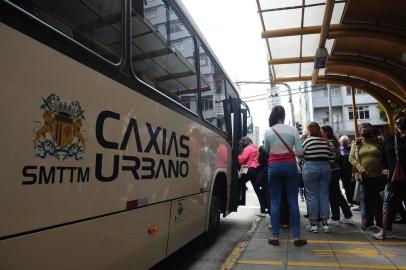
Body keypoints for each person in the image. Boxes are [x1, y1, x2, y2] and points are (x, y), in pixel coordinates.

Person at [264, 105, 307, 246]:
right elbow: (300, 152)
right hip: (290, 166)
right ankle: (296, 238)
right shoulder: (293, 130)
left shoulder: (268, 131)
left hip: (274, 167)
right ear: (284, 115)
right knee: (292, 201)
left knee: (275, 201)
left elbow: (266, 150)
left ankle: (275, 237)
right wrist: (291, 152)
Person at [374, 111, 406, 239]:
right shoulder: (390, 139)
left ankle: (385, 231)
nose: (400, 124)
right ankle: (386, 231)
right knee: (388, 204)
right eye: (398, 121)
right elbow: (382, 157)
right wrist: (384, 168)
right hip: (392, 178)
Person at [349, 123, 384, 230]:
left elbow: (384, 155)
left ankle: (380, 222)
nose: (365, 131)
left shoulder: (378, 141)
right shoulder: (357, 143)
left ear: (371, 130)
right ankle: (368, 222)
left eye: (367, 129)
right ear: (360, 132)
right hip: (364, 176)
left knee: (379, 200)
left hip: (379, 175)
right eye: (362, 130)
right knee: (366, 201)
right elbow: (351, 158)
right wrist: (360, 168)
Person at [302, 122, 334, 233]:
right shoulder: (326, 141)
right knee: (324, 195)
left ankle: (314, 224)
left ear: (309, 130)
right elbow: (332, 157)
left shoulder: (307, 140)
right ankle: (325, 224)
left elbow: (301, 153)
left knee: (311, 196)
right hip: (325, 167)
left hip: (310, 167)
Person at [321, 126, 354, 225]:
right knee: (337, 194)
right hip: (335, 171)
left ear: (326, 133)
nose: (320, 134)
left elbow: (333, 157)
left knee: (333, 195)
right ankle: (348, 216)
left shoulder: (330, 143)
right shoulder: (333, 142)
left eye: (322, 132)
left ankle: (336, 218)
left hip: (332, 170)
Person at [238, 136, 264, 216]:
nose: (242, 145)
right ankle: (262, 210)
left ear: (245, 142)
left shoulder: (248, 148)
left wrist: (236, 156)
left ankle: (243, 189)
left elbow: (242, 159)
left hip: (249, 170)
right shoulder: (255, 148)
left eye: (243, 143)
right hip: (255, 170)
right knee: (257, 190)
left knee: (238, 182)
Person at [339, 135, 356, 207]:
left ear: (347, 141)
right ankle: (350, 201)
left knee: (352, 187)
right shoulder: (340, 149)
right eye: (343, 142)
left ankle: (353, 201)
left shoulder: (351, 148)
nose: (344, 143)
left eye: (345, 142)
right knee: (346, 187)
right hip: (344, 172)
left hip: (350, 171)